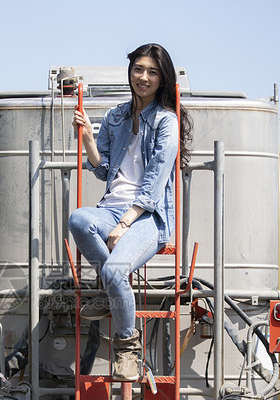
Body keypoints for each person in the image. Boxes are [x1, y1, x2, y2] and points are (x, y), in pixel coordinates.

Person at [69, 43, 192, 382]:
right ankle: (111, 291)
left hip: (148, 216)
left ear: (162, 77)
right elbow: (104, 169)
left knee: (112, 271)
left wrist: (125, 223)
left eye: (152, 71)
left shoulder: (168, 121)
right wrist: (89, 141)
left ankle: (127, 347)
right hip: (111, 207)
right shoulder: (116, 116)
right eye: (139, 69)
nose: (144, 77)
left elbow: (155, 181)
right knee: (79, 219)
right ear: (131, 71)